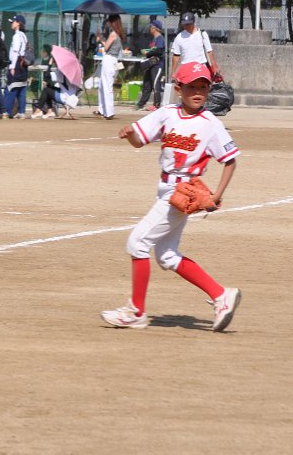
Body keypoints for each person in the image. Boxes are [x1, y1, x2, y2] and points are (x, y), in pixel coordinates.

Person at [100, 61, 241, 332]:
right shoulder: (167, 114)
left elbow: (230, 160)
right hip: (165, 189)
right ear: (178, 88)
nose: (198, 92)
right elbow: (140, 140)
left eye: (203, 87)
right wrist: (130, 135)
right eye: (191, 87)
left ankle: (136, 312)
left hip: (183, 193)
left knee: (137, 243)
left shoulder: (210, 123)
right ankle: (221, 295)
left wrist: (216, 196)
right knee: (166, 255)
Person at [170, 12, 220, 77]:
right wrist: (173, 72)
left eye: (188, 24)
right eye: (185, 24)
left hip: (201, 67)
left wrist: (215, 66)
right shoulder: (179, 37)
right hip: (186, 68)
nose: (186, 26)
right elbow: (176, 56)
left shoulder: (202, 34)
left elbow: (209, 51)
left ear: (193, 22)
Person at [96, 14, 124, 120]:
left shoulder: (113, 34)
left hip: (109, 60)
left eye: (109, 21)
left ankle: (109, 112)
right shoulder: (119, 34)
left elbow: (106, 47)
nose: (108, 23)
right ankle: (102, 109)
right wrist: (102, 39)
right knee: (102, 85)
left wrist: (100, 39)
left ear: (113, 22)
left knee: (106, 86)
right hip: (113, 60)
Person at [2, 14, 30, 118]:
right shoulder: (24, 36)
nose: (12, 23)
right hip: (23, 64)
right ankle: (21, 112)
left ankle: (7, 111)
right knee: (22, 88)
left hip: (17, 63)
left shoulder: (17, 36)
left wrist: (12, 67)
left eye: (13, 22)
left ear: (18, 23)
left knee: (11, 88)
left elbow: (15, 52)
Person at [136, 20, 166, 111]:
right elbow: (153, 50)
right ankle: (141, 104)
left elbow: (159, 50)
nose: (149, 29)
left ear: (154, 28)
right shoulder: (154, 39)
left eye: (151, 27)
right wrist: (147, 52)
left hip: (157, 65)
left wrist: (148, 52)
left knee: (156, 84)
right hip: (151, 64)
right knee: (147, 84)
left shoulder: (160, 38)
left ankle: (156, 105)